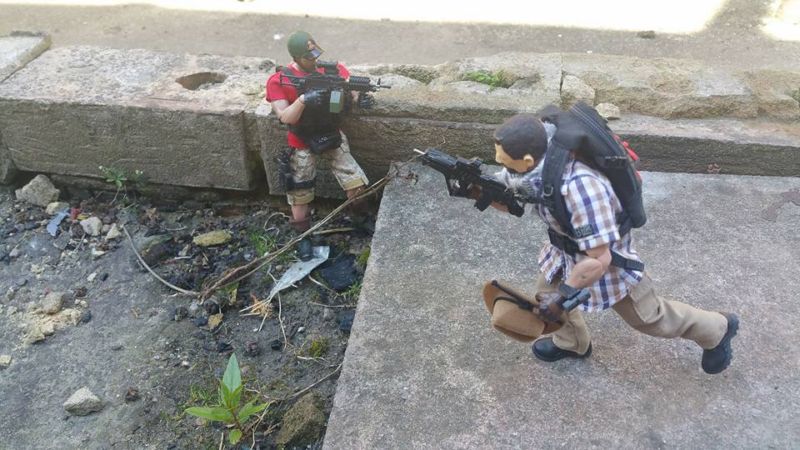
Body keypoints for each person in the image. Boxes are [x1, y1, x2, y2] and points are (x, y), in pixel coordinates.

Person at [482, 112, 739, 374]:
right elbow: (512, 198)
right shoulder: (530, 170)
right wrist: (480, 191)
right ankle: (572, 344)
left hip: (609, 264)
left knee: (648, 317)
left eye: (505, 162)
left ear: (527, 160)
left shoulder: (580, 189)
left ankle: (717, 328)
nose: (502, 167)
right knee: (545, 294)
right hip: (565, 253)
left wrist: (563, 296)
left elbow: (599, 259)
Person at [265, 31, 369, 233]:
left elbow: (351, 89)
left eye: (315, 54)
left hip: (331, 133)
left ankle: (360, 219)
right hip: (301, 139)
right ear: (295, 57)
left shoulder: (332, 70)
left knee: (355, 181)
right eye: (308, 57)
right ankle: (302, 234)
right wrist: (303, 100)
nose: (314, 60)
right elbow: (285, 117)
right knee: (300, 190)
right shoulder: (280, 80)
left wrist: (358, 98)